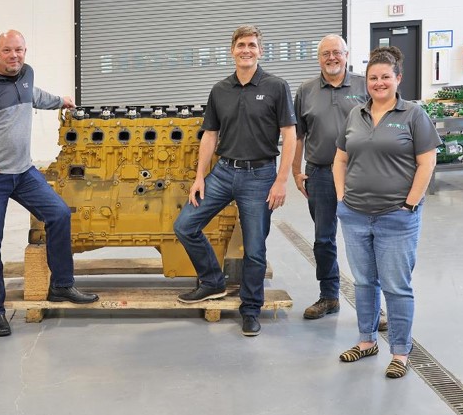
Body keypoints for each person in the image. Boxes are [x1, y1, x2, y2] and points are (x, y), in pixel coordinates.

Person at [0, 29, 99, 338]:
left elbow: (33, 95)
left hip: (24, 172)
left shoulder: (26, 74)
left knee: (58, 214)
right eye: (7, 51)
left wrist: (60, 101)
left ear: (25, 51)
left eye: (19, 50)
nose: (14, 56)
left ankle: (61, 285)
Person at [173, 25, 297, 336]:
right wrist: (200, 176)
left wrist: (282, 180)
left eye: (252, 45)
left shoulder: (276, 86)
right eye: (241, 44)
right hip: (224, 172)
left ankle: (250, 308)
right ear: (232, 50)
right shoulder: (220, 90)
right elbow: (210, 136)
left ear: (260, 51)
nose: (246, 50)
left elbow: (290, 135)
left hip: (260, 175)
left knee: (254, 248)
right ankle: (213, 281)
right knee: (185, 225)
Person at [333, 46, 440, 379]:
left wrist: (409, 204)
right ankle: (366, 342)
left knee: (396, 286)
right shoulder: (355, 114)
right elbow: (340, 159)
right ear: (366, 81)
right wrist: (341, 198)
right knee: (364, 282)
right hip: (355, 215)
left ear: (398, 79)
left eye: (385, 77)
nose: (379, 83)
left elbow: (427, 162)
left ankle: (400, 352)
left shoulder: (413, 115)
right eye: (373, 78)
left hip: (397, 216)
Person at [292, 35, 367, 320]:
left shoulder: (363, 85)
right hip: (320, 174)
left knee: (364, 238)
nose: (331, 58)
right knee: (324, 238)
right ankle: (329, 296)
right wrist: (296, 172)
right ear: (319, 58)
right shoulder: (306, 90)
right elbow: (297, 135)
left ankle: (370, 304)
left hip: (359, 174)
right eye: (326, 54)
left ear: (346, 55)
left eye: (337, 52)